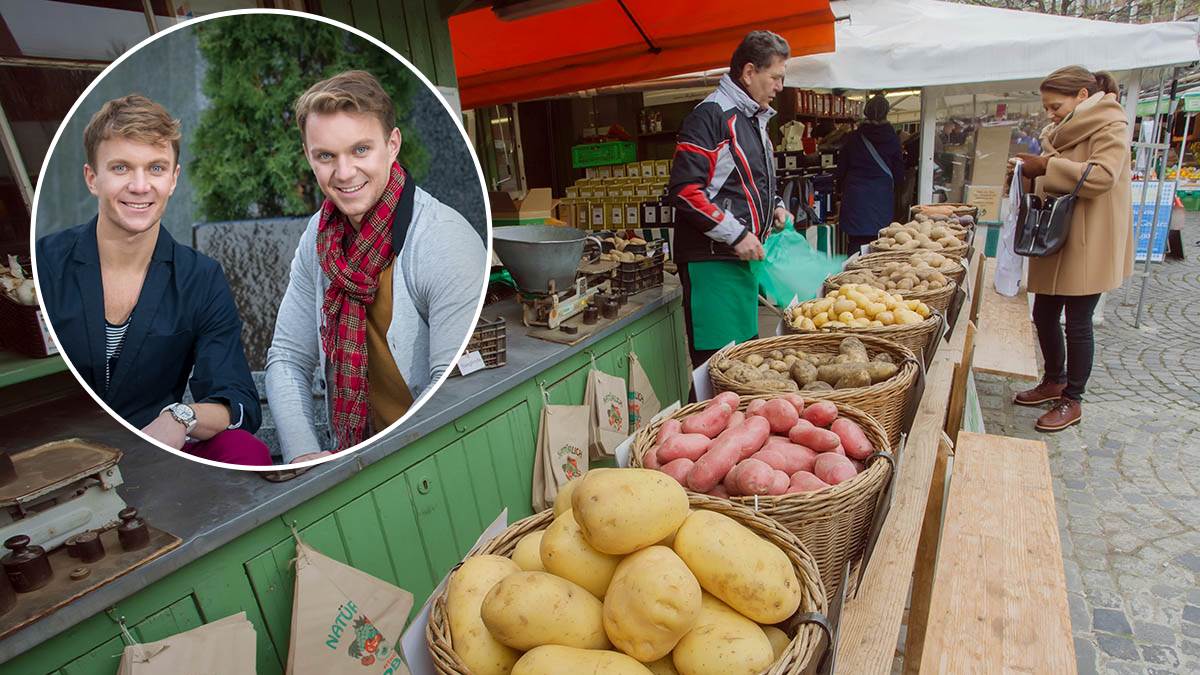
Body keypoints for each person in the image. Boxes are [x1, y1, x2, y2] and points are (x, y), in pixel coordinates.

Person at [265, 70, 486, 464]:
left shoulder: (443, 240)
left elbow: (452, 389)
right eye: (326, 156)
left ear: (393, 144)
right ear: (309, 157)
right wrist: (304, 454)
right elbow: (287, 357)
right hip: (350, 455)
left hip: (434, 452)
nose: (345, 173)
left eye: (361, 150)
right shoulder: (319, 235)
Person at [37, 95, 268, 465]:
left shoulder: (199, 278)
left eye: (156, 168)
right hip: (53, 458)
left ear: (174, 179)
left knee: (245, 450)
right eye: (121, 168)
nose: (140, 186)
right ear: (92, 178)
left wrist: (181, 416)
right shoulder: (45, 264)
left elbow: (236, 397)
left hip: (153, 452)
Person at [1009, 66, 1132, 432]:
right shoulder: (1059, 131)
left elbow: (1102, 176)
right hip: (1056, 233)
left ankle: (1072, 399)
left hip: (1091, 237)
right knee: (1044, 314)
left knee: (1078, 323)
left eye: (1055, 105)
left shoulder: (1111, 124)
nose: (1050, 114)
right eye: (1046, 107)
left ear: (1082, 95)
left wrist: (1047, 164)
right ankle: (1054, 380)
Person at [668, 30, 791, 368]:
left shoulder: (754, 118)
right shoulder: (711, 116)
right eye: (776, 77)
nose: (780, 86)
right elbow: (685, 191)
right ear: (749, 72)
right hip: (713, 266)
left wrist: (775, 206)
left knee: (743, 367)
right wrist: (736, 234)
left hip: (740, 264)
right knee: (719, 371)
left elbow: (749, 180)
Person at [836, 93, 905, 254]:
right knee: (879, 243)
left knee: (855, 247)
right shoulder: (893, 140)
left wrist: (839, 192)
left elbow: (840, 171)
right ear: (886, 113)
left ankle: (852, 276)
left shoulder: (853, 138)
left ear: (866, 112)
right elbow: (899, 174)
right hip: (881, 199)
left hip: (856, 199)